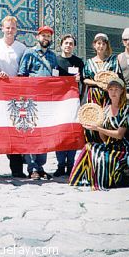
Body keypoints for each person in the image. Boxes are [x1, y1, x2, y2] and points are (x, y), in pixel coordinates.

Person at [69, 76, 129, 190]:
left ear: (122, 91)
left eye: (116, 89)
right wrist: (98, 128)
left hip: (122, 147)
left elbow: (120, 134)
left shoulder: (126, 108)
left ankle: (103, 179)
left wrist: (99, 129)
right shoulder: (106, 109)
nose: (113, 92)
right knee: (89, 147)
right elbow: (103, 137)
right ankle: (84, 178)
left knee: (102, 157)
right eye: (111, 89)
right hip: (109, 145)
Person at [18, 25, 59, 180]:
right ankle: (32, 167)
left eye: (49, 36)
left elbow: (55, 76)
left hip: (47, 100)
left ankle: (41, 166)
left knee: (44, 133)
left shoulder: (52, 56)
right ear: (38, 37)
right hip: (32, 100)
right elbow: (22, 75)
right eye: (44, 36)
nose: (46, 39)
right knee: (31, 133)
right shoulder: (29, 53)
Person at [0, 15, 28, 178]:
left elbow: (25, 70)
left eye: (13, 28)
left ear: (16, 30)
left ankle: (17, 168)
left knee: (15, 130)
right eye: (7, 27)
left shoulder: (21, 48)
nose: (10, 30)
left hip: (15, 94)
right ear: (2, 28)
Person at [53, 34, 85, 177]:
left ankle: (71, 164)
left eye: (71, 43)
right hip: (59, 102)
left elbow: (84, 82)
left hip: (72, 102)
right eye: (66, 43)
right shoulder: (55, 60)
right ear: (61, 45)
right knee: (60, 134)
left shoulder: (78, 62)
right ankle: (60, 165)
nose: (68, 46)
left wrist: (79, 82)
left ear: (74, 46)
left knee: (71, 134)